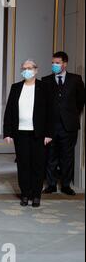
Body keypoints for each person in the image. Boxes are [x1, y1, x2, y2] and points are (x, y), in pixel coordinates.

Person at [4, 59, 54, 207]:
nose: (27, 70)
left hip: (39, 134)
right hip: (20, 133)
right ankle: (25, 194)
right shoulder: (16, 87)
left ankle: (36, 195)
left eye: (30, 68)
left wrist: (49, 133)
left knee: (38, 165)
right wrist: (8, 132)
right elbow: (9, 111)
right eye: (24, 68)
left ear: (36, 70)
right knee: (23, 164)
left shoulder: (44, 87)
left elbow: (51, 113)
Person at [42, 52, 85, 196]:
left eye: (57, 63)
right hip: (51, 126)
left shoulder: (76, 80)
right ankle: (51, 184)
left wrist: (71, 115)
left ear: (65, 64)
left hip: (69, 126)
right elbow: (44, 104)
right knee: (51, 156)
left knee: (67, 156)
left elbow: (80, 101)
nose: (54, 65)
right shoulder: (46, 80)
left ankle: (66, 185)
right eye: (53, 63)